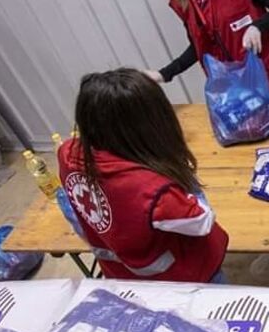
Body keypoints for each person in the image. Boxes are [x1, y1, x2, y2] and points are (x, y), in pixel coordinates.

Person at [58, 68, 228, 283]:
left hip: (121, 273)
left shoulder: (66, 152)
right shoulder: (154, 191)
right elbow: (202, 220)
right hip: (182, 280)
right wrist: (184, 175)